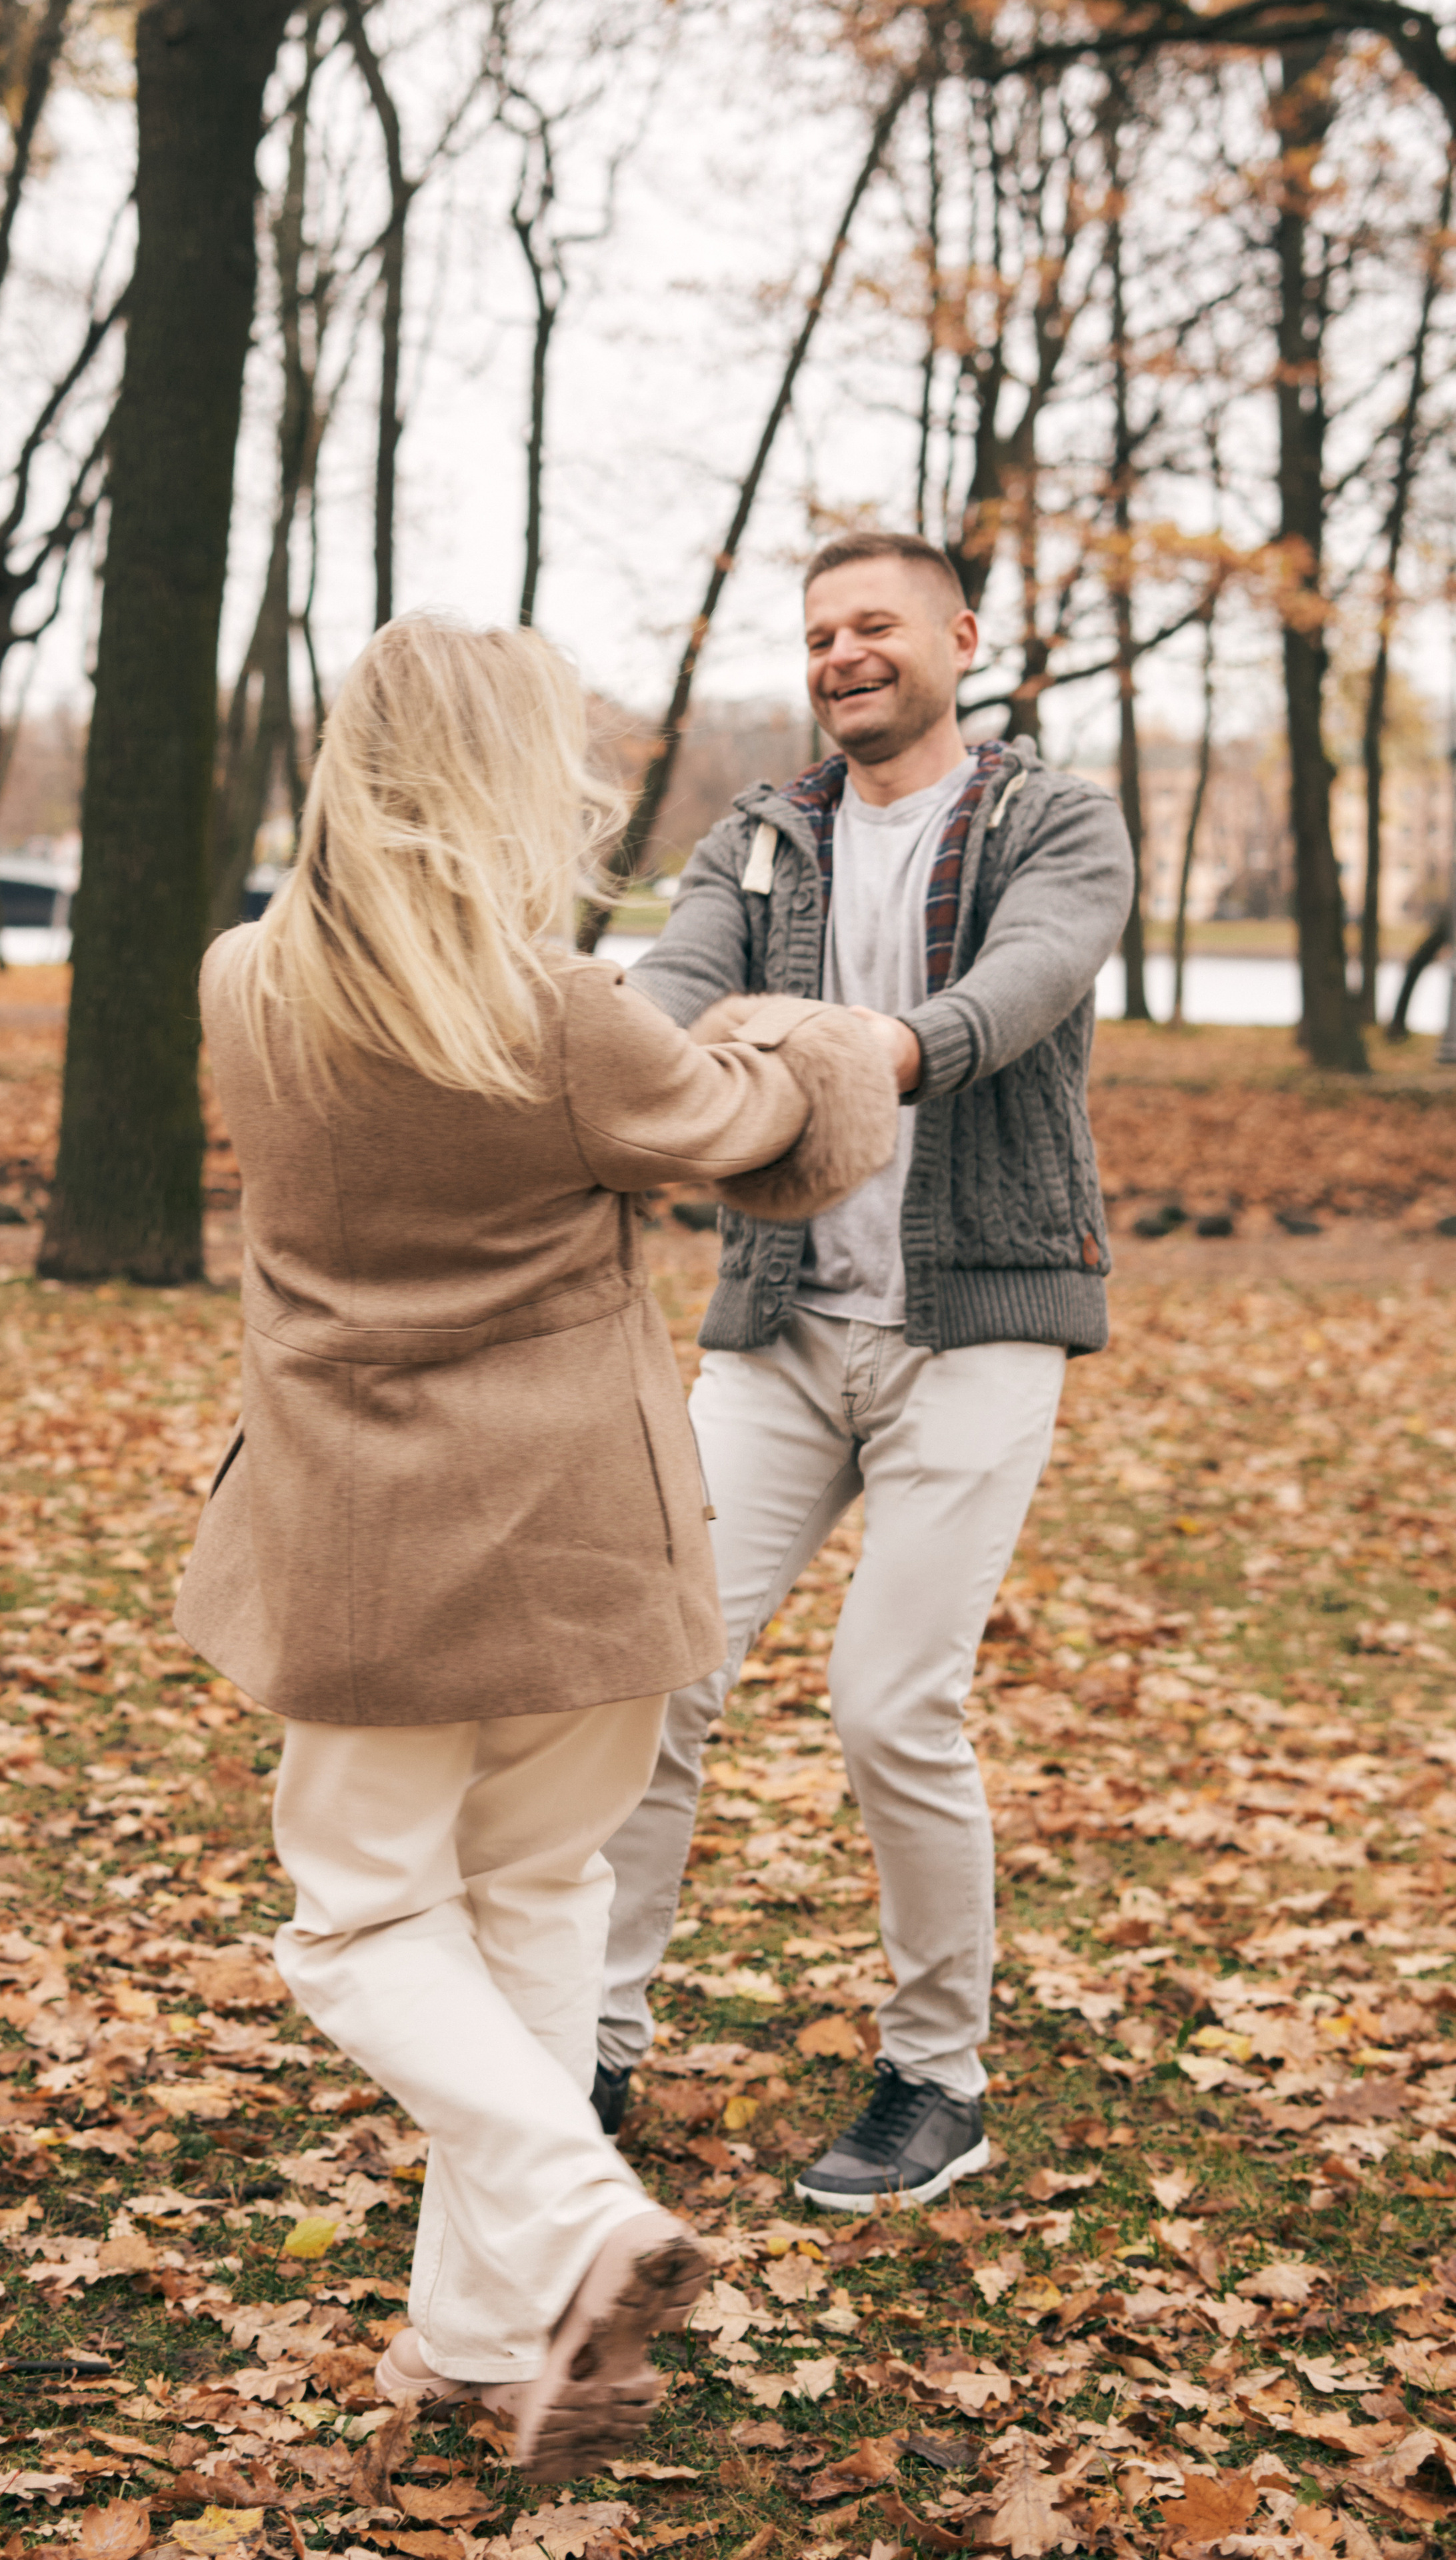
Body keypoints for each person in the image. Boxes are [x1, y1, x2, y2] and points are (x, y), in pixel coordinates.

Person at [174, 615, 902, 2476]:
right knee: (528, 1900)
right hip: (578, 1527)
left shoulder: (246, 982)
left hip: (359, 1532)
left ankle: (497, 2317)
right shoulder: (566, 1015)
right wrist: (804, 1041)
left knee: (365, 1917)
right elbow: (762, 1128)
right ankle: (559, 2246)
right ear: (511, 779)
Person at [592, 529, 1135, 2210]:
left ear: (958, 638)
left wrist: (869, 1050)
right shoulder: (760, 836)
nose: (842, 655)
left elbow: (1024, 984)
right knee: (649, 1672)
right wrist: (612, 1059)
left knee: (891, 1702)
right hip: (781, 1329)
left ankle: (934, 2081)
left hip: (976, 1324)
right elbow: (669, 996)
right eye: (821, 633)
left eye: (874, 626)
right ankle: (582, 2045)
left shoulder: (1054, 818)